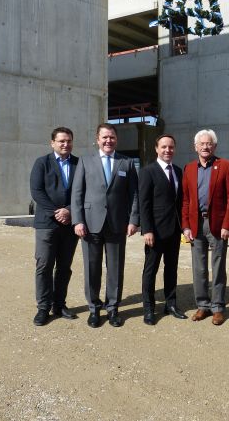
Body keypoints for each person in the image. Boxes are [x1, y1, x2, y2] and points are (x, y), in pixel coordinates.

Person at [71, 123, 139, 328]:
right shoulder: (85, 161)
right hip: (90, 224)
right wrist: (78, 220)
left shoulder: (126, 163)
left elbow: (134, 194)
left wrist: (134, 220)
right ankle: (94, 309)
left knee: (115, 269)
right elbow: (77, 193)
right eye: (104, 137)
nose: (108, 141)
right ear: (97, 139)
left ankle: (112, 308)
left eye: (112, 137)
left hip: (117, 224)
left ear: (116, 140)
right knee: (92, 268)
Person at [181, 129, 229, 326]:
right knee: (199, 268)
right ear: (195, 147)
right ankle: (203, 305)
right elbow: (186, 199)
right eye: (202, 144)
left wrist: (228, 224)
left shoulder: (226, 166)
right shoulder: (188, 169)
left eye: (209, 143)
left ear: (215, 146)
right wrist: (185, 225)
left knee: (218, 267)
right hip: (196, 225)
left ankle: (218, 307)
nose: (205, 147)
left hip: (218, 226)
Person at [30, 127, 79, 326]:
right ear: (52, 143)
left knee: (64, 267)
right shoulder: (42, 163)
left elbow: (82, 191)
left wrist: (69, 210)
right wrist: (57, 212)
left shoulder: (78, 163)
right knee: (44, 266)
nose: (65, 144)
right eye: (61, 141)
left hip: (69, 225)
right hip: (46, 224)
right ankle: (43, 307)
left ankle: (59, 304)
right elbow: (37, 191)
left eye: (68, 141)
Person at [138, 134, 187, 325]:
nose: (168, 150)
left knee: (171, 268)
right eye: (164, 147)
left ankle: (171, 304)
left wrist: (183, 227)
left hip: (174, 230)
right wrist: (147, 229)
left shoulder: (177, 170)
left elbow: (179, 201)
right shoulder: (147, 171)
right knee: (150, 270)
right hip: (155, 232)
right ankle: (149, 308)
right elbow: (144, 203)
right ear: (156, 149)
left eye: (171, 147)